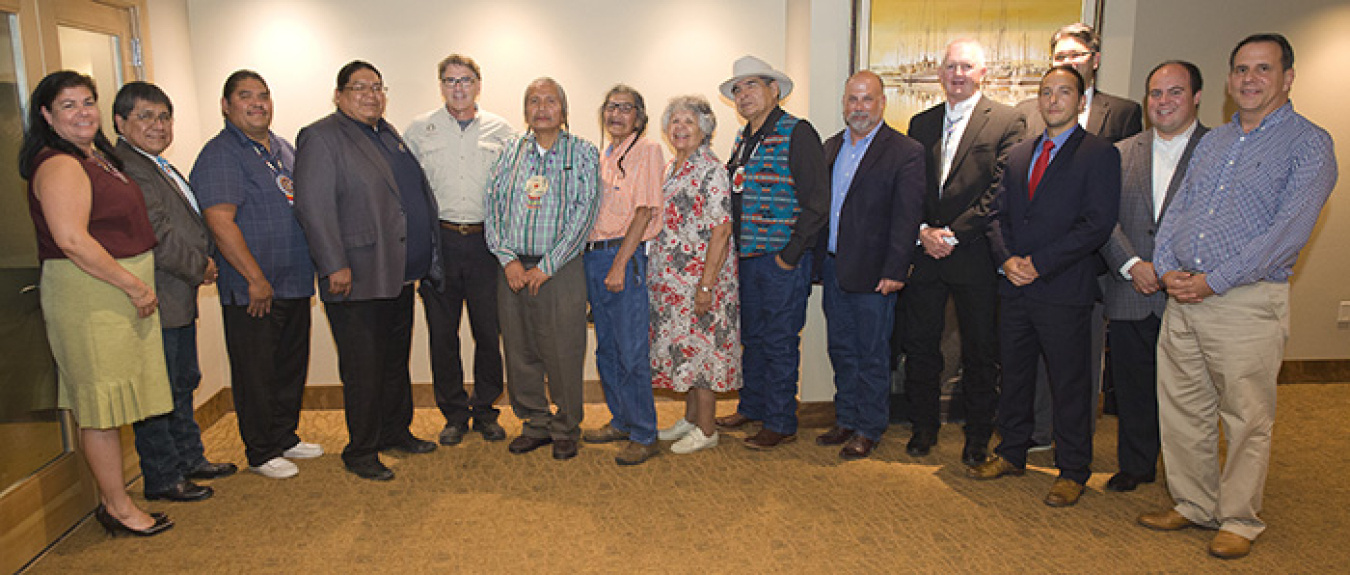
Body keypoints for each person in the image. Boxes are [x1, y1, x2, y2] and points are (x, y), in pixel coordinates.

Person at [1139, 33, 1337, 560]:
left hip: (1245, 300)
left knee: (1246, 416)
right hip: (1183, 295)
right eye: (1241, 70)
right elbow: (1180, 208)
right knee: (1183, 410)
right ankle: (1193, 504)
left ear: (1287, 78)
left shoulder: (1309, 144)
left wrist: (1215, 279)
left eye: (1263, 69)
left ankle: (1239, 519)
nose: (1250, 80)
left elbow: (1286, 234)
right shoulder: (1215, 141)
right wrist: (1166, 269)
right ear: (1228, 80)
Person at [20, 70, 173, 536]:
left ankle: (116, 498)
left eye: (88, 102)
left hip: (113, 288)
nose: (83, 112)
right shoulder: (60, 164)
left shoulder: (95, 157)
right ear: (46, 115)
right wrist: (131, 284)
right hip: (91, 294)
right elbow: (71, 239)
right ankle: (117, 507)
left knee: (113, 398)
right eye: (68, 105)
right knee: (101, 403)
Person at [968, 66, 1120, 509]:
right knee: (1013, 376)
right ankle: (1012, 452)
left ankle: (1072, 469)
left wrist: (1039, 263)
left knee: (1069, 384)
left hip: (1063, 287)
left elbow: (1097, 224)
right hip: (1015, 288)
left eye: (1064, 92)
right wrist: (1007, 259)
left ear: (1080, 101)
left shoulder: (1098, 154)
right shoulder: (1020, 153)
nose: (1053, 100)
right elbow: (996, 215)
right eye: (1046, 93)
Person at [294, 61, 442, 481]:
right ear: (339, 95)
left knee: (393, 360)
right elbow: (313, 206)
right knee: (363, 367)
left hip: (395, 274)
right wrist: (333, 264)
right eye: (359, 87)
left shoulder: (387, 133)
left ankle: (395, 431)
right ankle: (360, 450)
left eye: (377, 87)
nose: (371, 95)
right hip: (355, 275)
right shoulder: (322, 136)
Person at [1018, 22, 1144, 451]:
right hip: (1030, 266)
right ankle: (1037, 432)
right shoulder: (1029, 112)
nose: (1067, 64)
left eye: (1076, 56)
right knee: (1031, 361)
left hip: (1090, 261)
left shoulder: (1122, 112)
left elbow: (1118, 195)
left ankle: (1075, 444)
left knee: (1080, 363)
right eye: (1060, 58)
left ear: (1095, 60)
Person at [900, 39, 1025, 466]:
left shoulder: (1008, 121)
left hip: (973, 254)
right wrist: (922, 232)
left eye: (967, 66)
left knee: (979, 352)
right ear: (940, 73)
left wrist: (952, 234)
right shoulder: (920, 123)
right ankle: (923, 427)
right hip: (925, 253)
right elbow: (911, 188)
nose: (958, 74)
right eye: (951, 66)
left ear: (982, 73)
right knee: (921, 346)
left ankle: (976, 437)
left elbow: (1000, 190)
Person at [194, 70, 323, 479]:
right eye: (245, 96)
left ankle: (284, 435)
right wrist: (254, 277)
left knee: (289, 364)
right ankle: (261, 448)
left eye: (263, 96)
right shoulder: (221, 154)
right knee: (256, 370)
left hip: (294, 280)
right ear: (226, 105)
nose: (257, 103)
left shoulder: (282, 148)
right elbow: (220, 221)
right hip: (254, 288)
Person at [111, 81, 236, 502]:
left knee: (181, 382)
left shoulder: (157, 164)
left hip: (177, 296)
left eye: (164, 116)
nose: (158, 125)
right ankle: (164, 477)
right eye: (145, 116)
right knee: (159, 392)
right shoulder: (130, 167)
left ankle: (189, 459)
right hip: (158, 295)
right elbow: (157, 234)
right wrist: (199, 265)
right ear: (120, 122)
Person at [1098, 61, 1207, 493]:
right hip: (1132, 287)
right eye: (1156, 94)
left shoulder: (1218, 150)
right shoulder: (1121, 152)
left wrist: (1180, 270)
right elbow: (1102, 218)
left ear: (1196, 96)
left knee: (1192, 394)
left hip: (1193, 291)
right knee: (1134, 385)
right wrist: (1131, 265)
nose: (1163, 102)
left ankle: (1190, 479)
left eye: (1175, 92)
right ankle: (1137, 465)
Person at [714, 55, 829, 450]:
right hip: (745, 259)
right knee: (754, 338)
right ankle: (753, 406)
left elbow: (817, 202)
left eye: (751, 86)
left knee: (780, 340)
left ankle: (780, 420)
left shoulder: (798, 133)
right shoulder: (743, 138)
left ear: (773, 90)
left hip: (781, 260)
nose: (743, 95)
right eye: (737, 89)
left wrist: (790, 255)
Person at [485, 77, 600, 461]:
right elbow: (493, 208)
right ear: (526, 111)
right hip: (514, 267)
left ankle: (566, 427)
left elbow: (586, 211)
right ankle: (534, 423)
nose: (542, 107)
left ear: (563, 110)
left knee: (563, 350)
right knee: (519, 350)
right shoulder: (508, 151)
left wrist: (547, 266)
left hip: (561, 268)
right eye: (533, 101)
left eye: (550, 100)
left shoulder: (582, 152)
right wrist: (508, 259)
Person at [814, 71, 924, 460]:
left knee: (872, 353)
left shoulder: (905, 151)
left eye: (867, 99)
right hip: (833, 267)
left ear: (881, 103)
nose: (859, 107)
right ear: (844, 104)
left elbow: (906, 217)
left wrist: (896, 270)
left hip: (876, 273)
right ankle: (846, 417)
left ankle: (869, 426)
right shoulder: (830, 148)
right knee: (841, 348)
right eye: (852, 100)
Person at [404, 54, 514, 447]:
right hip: (441, 243)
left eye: (466, 80)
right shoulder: (420, 130)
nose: (458, 87)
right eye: (450, 80)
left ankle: (485, 410)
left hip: (488, 243)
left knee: (488, 331)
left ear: (478, 84)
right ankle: (453, 413)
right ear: (441, 85)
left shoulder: (502, 130)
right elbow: (407, 194)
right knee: (441, 334)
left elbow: (514, 190)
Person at [649, 95, 740, 455]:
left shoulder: (711, 169)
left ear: (705, 129)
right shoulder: (674, 166)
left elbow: (721, 230)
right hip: (673, 281)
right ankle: (689, 419)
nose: (680, 128)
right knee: (685, 352)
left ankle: (707, 428)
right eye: (675, 121)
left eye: (689, 122)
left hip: (702, 279)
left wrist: (706, 286)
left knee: (704, 354)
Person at [579, 85, 664, 465]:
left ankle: (645, 432)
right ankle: (622, 420)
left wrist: (617, 265)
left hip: (623, 258)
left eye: (625, 108)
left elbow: (644, 212)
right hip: (594, 256)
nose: (616, 114)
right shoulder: (604, 156)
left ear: (639, 117)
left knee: (631, 351)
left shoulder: (647, 151)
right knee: (607, 349)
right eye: (610, 107)